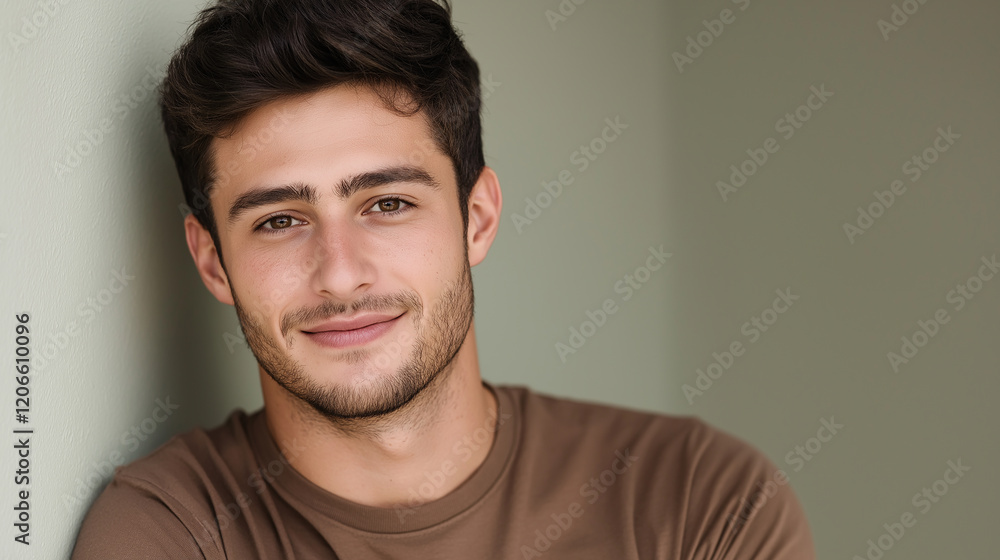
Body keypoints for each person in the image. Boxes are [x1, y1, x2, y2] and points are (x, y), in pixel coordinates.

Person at [72, 0, 815, 557]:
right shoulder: (169, 531)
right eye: (279, 221)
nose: (340, 274)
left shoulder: (699, 500)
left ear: (478, 218)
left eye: (387, 204)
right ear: (211, 261)